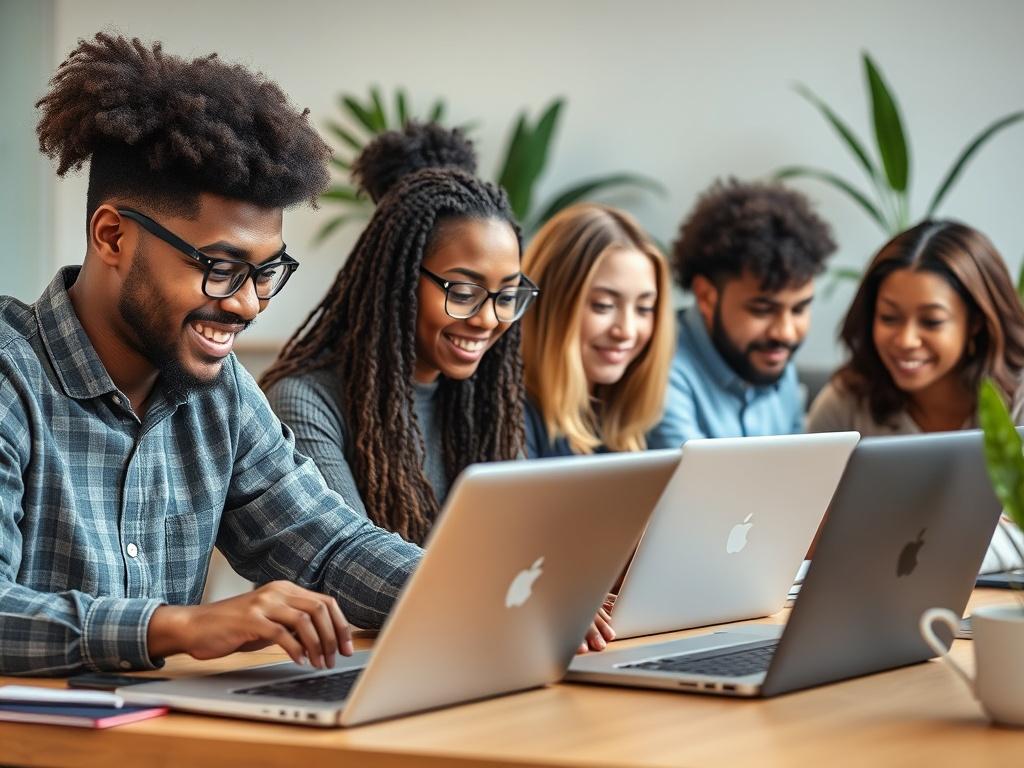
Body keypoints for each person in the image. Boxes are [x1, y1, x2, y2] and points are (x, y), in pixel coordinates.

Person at [1, 33, 432, 677]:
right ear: (112, 236)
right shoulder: (13, 378)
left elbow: (325, 545)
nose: (248, 305)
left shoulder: (218, 392)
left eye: (266, 272)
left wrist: (492, 588)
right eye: (221, 267)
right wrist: (176, 626)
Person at [262, 123, 537, 545]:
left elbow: (522, 547)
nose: (487, 319)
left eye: (507, 295)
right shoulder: (306, 402)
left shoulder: (485, 402)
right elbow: (353, 564)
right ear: (400, 281)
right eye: (463, 292)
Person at [807, 220, 1024, 571]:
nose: (906, 339)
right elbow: (802, 535)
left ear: (976, 323)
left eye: (931, 321)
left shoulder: (1017, 403)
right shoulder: (846, 403)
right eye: (889, 318)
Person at [647, 179, 836, 447]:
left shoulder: (774, 357)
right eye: (762, 310)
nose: (785, 332)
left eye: (799, 309)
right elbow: (694, 483)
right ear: (706, 297)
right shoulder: (659, 370)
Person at [520, 204, 674, 457]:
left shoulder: (618, 416)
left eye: (644, 308)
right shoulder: (511, 415)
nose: (626, 331)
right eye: (603, 305)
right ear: (549, 306)